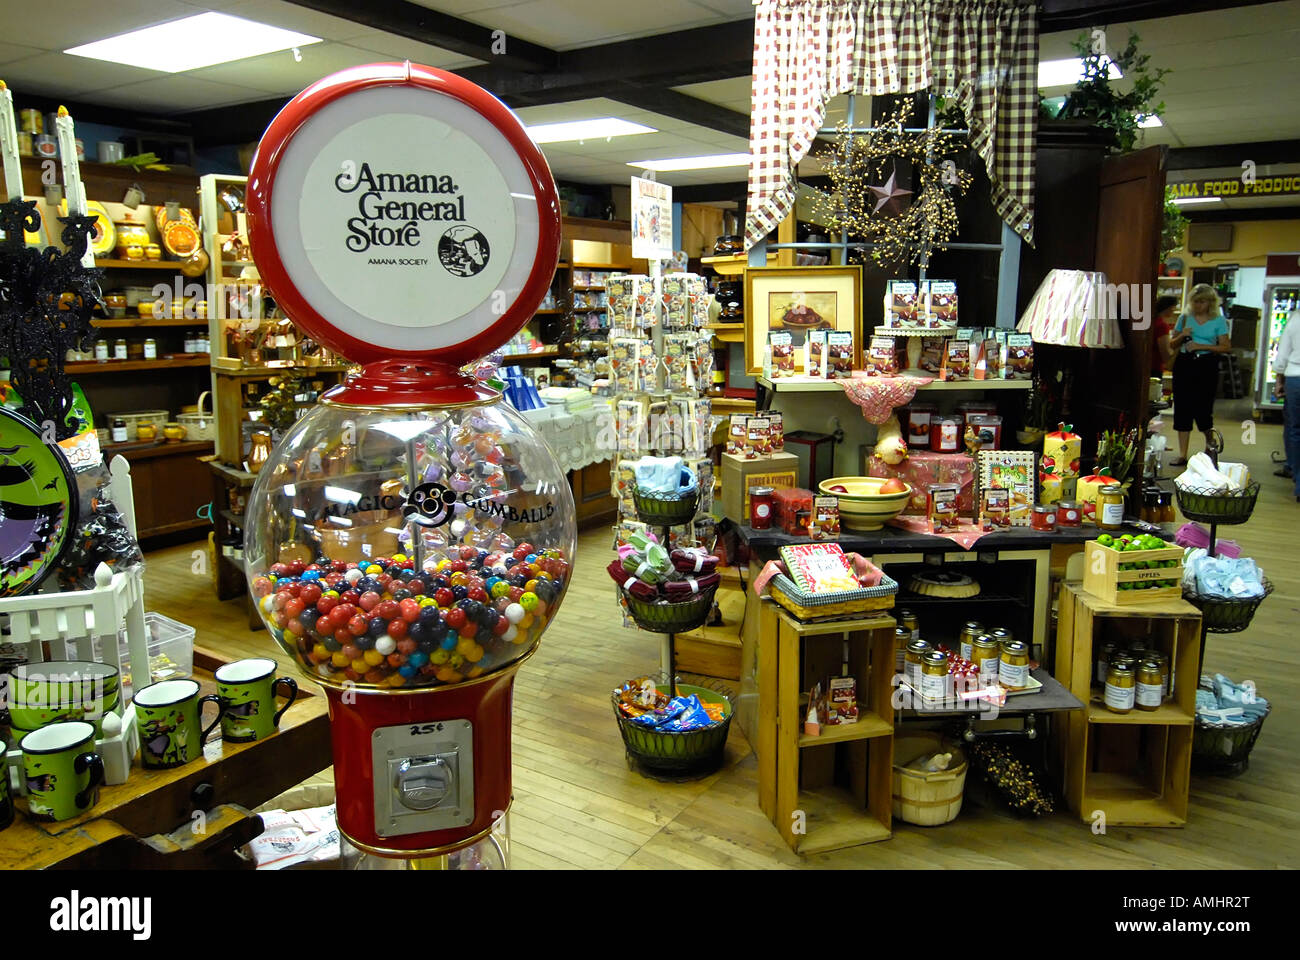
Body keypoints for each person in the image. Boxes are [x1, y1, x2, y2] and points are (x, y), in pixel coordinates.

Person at [1169, 284, 1232, 466]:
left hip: (1206, 364)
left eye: (1202, 302)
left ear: (1210, 303)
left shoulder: (1218, 321)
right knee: (1182, 407)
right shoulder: (1184, 318)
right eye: (1195, 301)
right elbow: (1172, 344)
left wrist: (1201, 346)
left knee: (1204, 408)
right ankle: (1182, 453)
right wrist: (1182, 336)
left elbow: (1225, 347)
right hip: (1184, 363)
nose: (1198, 305)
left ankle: (1209, 445)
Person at [1273, 309, 1300, 501]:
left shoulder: (1295, 319)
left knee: (1295, 429)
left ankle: (1299, 481)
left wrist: (1279, 380)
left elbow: (1282, 355)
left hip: (1295, 378)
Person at [1151, 294, 1179, 379]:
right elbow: (1165, 353)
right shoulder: (1162, 325)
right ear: (1169, 307)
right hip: (1155, 367)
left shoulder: (1152, 321)